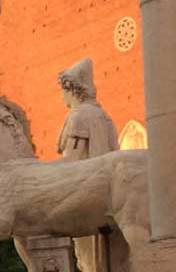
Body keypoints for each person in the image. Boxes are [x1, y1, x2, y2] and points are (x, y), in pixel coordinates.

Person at [57, 58, 118, 272]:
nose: (62, 96)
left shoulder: (79, 116)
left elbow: (73, 161)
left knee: (88, 262)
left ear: (72, 89)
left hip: (85, 194)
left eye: (63, 90)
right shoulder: (104, 116)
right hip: (109, 194)